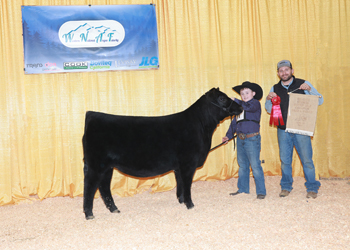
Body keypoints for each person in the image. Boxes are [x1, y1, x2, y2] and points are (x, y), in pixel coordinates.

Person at [265, 60, 324, 199]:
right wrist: (268, 99)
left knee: (307, 160)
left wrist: (309, 90)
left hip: (301, 129)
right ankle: (286, 187)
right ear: (278, 73)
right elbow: (268, 109)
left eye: (286, 70)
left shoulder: (304, 83)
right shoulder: (274, 88)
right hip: (283, 130)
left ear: (292, 70)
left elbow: (319, 101)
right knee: (285, 160)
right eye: (281, 70)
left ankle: (312, 187)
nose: (284, 73)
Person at [222, 81, 266, 199]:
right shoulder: (240, 108)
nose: (244, 95)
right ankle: (243, 188)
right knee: (242, 165)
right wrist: (228, 136)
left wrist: (236, 101)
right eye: (242, 94)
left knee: (255, 165)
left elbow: (249, 107)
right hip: (241, 139)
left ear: (253, 93)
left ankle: (261, 191)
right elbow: (235, 123)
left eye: (247, 93)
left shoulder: (255, 104)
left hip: (252, 139)